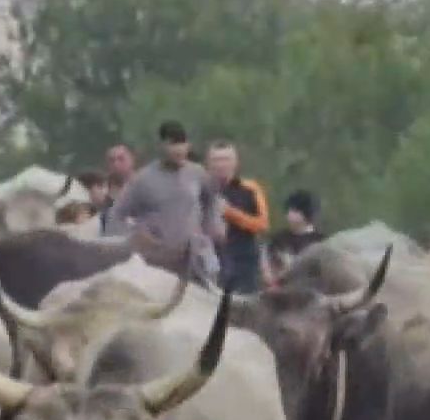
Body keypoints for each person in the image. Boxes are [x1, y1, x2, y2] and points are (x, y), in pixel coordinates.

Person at [105, 121, 224, 285]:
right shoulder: (142, 180)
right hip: (156, 261)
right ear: (161, 146)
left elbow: (211, 201)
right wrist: (131, 239)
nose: (179, 152)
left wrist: (212, 227)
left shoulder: (197, 173)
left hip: (194, 257)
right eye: (173, 146)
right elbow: (116, 215)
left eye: (183, 147)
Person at [205, 141, 270, 292]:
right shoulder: (201, 188)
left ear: (235, 162)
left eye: (226, 159)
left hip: (243, 262)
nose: (221, 164)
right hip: (210, 260)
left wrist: (230, 213)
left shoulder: (250, 188)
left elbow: (263, 224)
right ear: (208, 163)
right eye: (216, 160)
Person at [266, 190, 323, 286]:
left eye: (294, 210)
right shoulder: (278, 239)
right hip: (280, 290)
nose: (288, 214)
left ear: (306, 213)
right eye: (288, 210)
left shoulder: (321, 242)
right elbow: (269, 267)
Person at [104, 144, 137, 232]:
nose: (116, 164)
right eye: (112, 160)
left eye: (121, 159)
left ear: (132, 159)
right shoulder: (102, 190)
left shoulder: (144, 187)